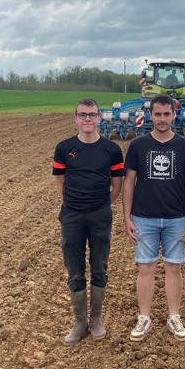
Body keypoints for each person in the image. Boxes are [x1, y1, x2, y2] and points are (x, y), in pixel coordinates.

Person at [122, 95, 185, 341]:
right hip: (144, 217)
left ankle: (174, 316)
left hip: (176, 217)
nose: (162, 119)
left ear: (174, 115)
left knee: (173, 268)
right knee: (145, 268)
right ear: (150, 116)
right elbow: (129, 183)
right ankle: (144, 317)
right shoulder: (138, 145)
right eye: (158, 114)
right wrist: (127, 217)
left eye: (167, 114)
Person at [52, 99, 124, 345]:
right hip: (72, 215)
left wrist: (103, 204)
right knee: (74, 268)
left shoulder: (111, 150)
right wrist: (71, 202)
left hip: (99, 215)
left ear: (99, 118)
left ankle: (96, 319)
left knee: (99, 265)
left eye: (92, 115)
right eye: (82, 115)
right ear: (75, 118)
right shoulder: (64, 148)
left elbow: (117, 185)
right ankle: (79, 321)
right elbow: (60, 180)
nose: (87, 119)